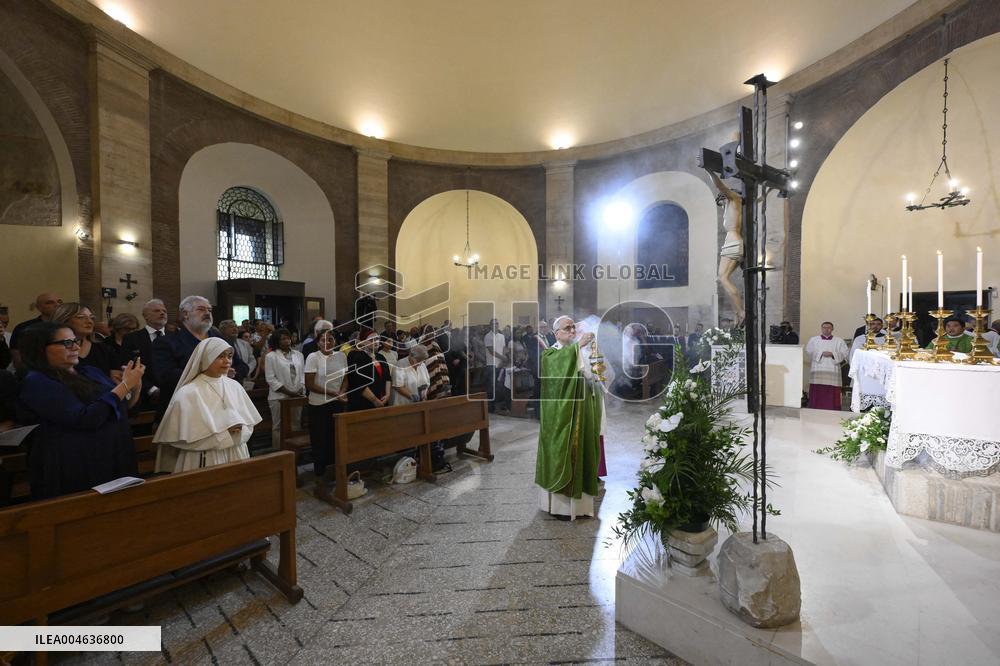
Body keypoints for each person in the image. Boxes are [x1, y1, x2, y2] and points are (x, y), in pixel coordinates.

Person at [17, 322, 143, 499]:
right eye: (66, 343)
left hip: (113, 454)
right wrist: (124, 385)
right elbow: (85, 418)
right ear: (40, 348)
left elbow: (122, 409)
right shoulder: (37, 381)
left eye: (75, 340)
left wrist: (135, 387)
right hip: (74, 462)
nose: (76, 346)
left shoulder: (90, 371)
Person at [152, 337, 260, 472]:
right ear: (205, 358)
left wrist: (240, 431)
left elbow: (249, 425)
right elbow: (181, 439)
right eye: (220, 356)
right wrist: (225, 435)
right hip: (204, 459)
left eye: (229, 356)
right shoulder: (188, 393)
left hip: (236, 453)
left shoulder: (235, 386)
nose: (227, 361)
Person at [535, 316, 603, 521]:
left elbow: (595, 376)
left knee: (584, 451)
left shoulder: (579, 350)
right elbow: (557, 370)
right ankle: (561, 508)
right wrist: (578, 347)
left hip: (583, 411)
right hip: (561, 417)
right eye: (567, 327)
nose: (572, 330)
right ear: (556, 332)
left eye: (574, 327)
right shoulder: (550, 354)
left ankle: (581, 507)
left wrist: (595, 369)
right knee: (563, 453)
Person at [152, 295, 248, 417]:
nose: (207, 313)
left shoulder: (220, 340)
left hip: (220, 409)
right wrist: (212, 374)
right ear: (185, 314)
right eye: (201, 309)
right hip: (184, 410)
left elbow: (242, 366)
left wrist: (230, 373)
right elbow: (165, 376)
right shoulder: (167, 342)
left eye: (210, 310)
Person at [304, 329, 347, 492]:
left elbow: (345, 377)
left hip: (336, 402)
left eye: (330, 339)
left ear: (335, 341)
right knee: (320, 440)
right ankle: (319, 474)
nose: (327, 343)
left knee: (334, 439)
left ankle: (333, 471)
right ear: (318, 342)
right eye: (323, 340)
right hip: (319, 404)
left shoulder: (341, 356)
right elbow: (310, 384)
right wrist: (332, 393)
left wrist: (342, 391)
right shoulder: (313, 357)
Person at [120, 298, 169, 409]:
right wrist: (151, 389)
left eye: (164, 311)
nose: (162, 313)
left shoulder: (174, 336)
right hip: (144, 397)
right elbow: (128, 367)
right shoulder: (132, 338)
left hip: (173, 395)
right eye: (156, 311)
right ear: (145, 316)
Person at [265, 328, 305, 448]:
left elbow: (302, 374)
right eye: (283, 339)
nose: (286, 340)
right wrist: (289, 392)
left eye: (288, 338)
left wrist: (300, 388)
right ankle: (279, 451)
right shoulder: (271, 356)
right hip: (278, 396)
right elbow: (271, 379)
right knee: (278, 425)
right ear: (277, 341)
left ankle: (295, 450)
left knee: (296, 424)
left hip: (297, 394)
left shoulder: (298, 354)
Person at [52, 303, 115, 379]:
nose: (89, 321)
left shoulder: (104, 350)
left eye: (92, 318)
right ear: (64, 319)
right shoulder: (55, 349)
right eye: (81, 317)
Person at [805, 322, 849, 410]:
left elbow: (845, 353)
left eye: (829, 327)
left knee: (832, 391)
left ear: (832, 329)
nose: (826, 329)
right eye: (824, 327)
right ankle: (815, 406)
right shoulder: (813, 340)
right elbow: (808, 351)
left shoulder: (839, 340)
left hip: (833, 371)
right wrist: (821, 353)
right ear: (821, 329)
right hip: (818, 370)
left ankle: (832, 407)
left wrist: (833, 354)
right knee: (818, 389)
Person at [9, 292, 62, 364]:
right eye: (50, 302)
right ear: (39, 307)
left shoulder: (67, 326)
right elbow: (17, 355)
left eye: (60, 302)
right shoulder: (24, 328)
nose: (57, 305)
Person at [345, 331, 392, 411]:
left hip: (382, 399)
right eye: (371, 340)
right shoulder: (356, 356)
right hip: (364, 402)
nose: (375, 342)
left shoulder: (381, 357)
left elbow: (387, 377)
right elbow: (358, 382)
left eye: (377, 339)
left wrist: (387, 394)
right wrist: (374, 400)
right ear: (363, 342)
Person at [484, 319, 507, 413]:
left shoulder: (501, 336)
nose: (495, 325)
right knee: (491, 387)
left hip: (500, 364)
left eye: (497, 323)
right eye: (493, 324)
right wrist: (503, 357)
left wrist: (504, 358)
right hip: (491, 364)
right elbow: (491, 351)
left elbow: (504, 348)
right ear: (490, 325)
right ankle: (490, 407)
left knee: (500, 386)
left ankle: (499, 405)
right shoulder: (488, 336)